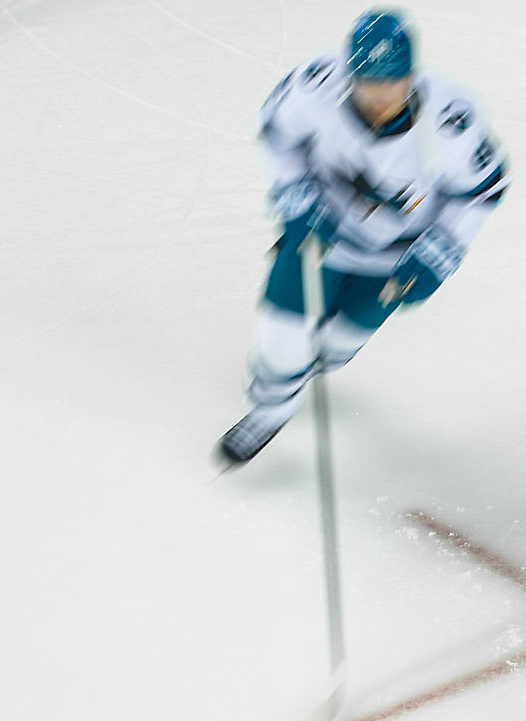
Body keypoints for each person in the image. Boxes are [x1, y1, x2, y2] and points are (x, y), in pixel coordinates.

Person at [218, 9, 510, 462]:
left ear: (411, 75)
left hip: (394, 259)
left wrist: (438, 251)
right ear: (349, 73)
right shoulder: (315, 86)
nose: (378, 96)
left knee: (339, 345)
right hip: (320, 237)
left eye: (390, 83)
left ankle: (310, 367)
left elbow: (480, 191)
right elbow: (279, 136)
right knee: (281, 342)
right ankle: (271, 408)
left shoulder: (450, 122)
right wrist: (295, 196)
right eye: (367, 82)